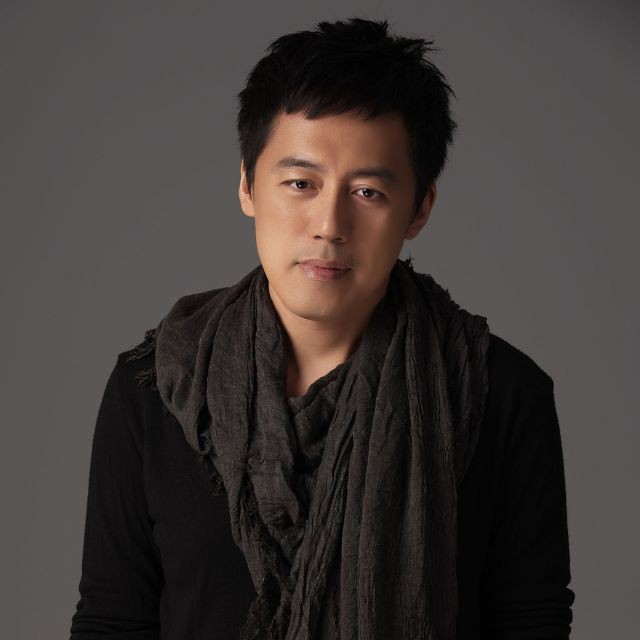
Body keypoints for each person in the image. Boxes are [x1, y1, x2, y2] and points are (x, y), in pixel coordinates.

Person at [69, 17, 575, 640]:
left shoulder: (499, 394)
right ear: (248, 186)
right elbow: (111, 622)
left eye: (367, 192)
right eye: (300, 184)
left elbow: (531, 620)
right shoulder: (151, 390)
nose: (329, 225)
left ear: (419, 209)